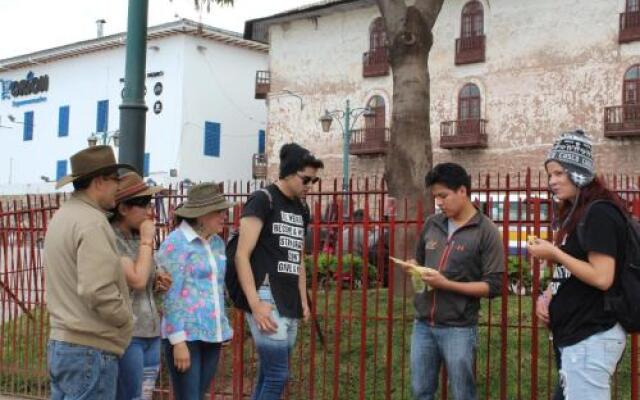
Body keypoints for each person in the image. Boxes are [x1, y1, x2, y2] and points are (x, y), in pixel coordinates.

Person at [528, 130, 627, 399]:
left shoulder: (599, 213)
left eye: (560, 173)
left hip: (591, 336)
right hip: (575, 336)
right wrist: (547, 296)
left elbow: (602, 277)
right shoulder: (577, 214)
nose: (552, 181)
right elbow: (571, 271)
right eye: (550, 174)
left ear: (579, 171)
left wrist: (556, 253)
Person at [403, 162, 504, 400]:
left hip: (459, 328)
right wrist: (415, 270)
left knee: (463, 394)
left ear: (462, 191)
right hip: (423, 325)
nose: (439, 202)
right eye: (435, 196)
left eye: (443, 195)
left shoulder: (486, 230)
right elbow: (420, 261)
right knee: (420, 391)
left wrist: (445, 284)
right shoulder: (432, 224)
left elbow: (493, 287)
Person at [44, 145, 136, 399]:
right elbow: (98, 290)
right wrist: (126, 320)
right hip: (89, 348)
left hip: (63, 344)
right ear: (99, 182)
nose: (119, 186)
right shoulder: (92, 222)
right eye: (115, 180)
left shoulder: (63, 216)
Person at [235, 142, 323, 400]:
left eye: (314, 181)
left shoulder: (301, 207)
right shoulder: (263, 199)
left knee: (269, 373)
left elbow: (297, 257)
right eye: (306, 179)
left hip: (289, 297)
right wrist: (256, 303)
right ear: (289, 172)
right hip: (265, 294)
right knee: (277, 375)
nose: (309, 186)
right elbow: (242, 255)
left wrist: (303, 299)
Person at [156, 182, 234, 400]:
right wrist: (178, 342)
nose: (223, 217)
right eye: (219, 212)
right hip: (185, 336)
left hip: (211, 334)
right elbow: (170, 295)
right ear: (202, 215)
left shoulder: (217, 243)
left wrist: (223, 327)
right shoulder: (175, 243)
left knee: (197, 396)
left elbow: (217, 288)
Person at [110, 172, 171, 400]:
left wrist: (159, 280)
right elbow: (136, 280)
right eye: (143, 204)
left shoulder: (137, 237)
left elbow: (146, 278)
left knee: (143, 396)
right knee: (130, 395)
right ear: (123, 208)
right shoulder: (112, 238)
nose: (149, 211)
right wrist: (147, 240)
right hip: (129, 333)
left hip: (151, 330)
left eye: (150, 203)